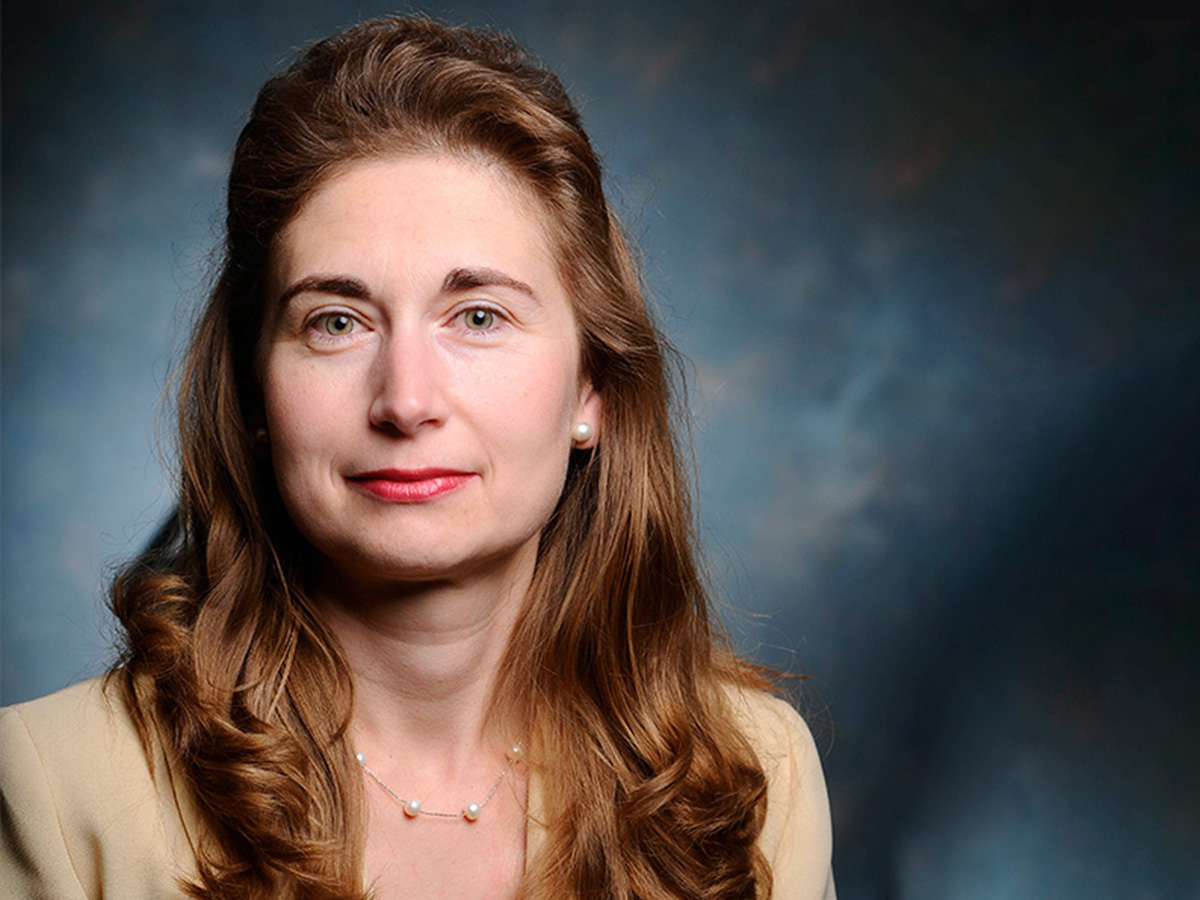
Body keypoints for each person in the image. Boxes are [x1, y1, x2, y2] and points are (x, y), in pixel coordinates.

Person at [0, 16, 834, 900]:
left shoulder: (758, 774)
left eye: (478, 316)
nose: (405, 401)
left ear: (592, 389)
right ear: (253, 394)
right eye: (336, 322)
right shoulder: (53, 784)